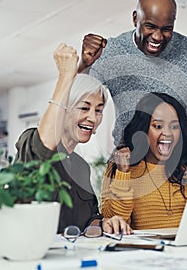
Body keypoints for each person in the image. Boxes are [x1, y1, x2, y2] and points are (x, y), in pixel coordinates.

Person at [78, 0, 187, 171]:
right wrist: (84, 64)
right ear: (135, 19)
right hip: (128, 164)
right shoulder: (112, 52)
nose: (157, 37)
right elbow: (77, 101)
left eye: (166, 29)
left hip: (182, 165)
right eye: (150, 26)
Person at [14, 43, 132, 235]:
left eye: (99, 110)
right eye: (84, 108)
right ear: (65, 109)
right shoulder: (32, 141)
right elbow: (44, 148)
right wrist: (66, 76)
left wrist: (103, 223)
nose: (93, 118)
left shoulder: (81, 167)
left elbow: (89, 219)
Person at [101, 92, 187, 230]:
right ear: (143, 129)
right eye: (158, 126)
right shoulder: (121, 167)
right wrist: (123, 173)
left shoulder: (186, 168)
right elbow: (116, 225)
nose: (168, 133)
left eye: (174, 127)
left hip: (183, 248)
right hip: (144, 250)